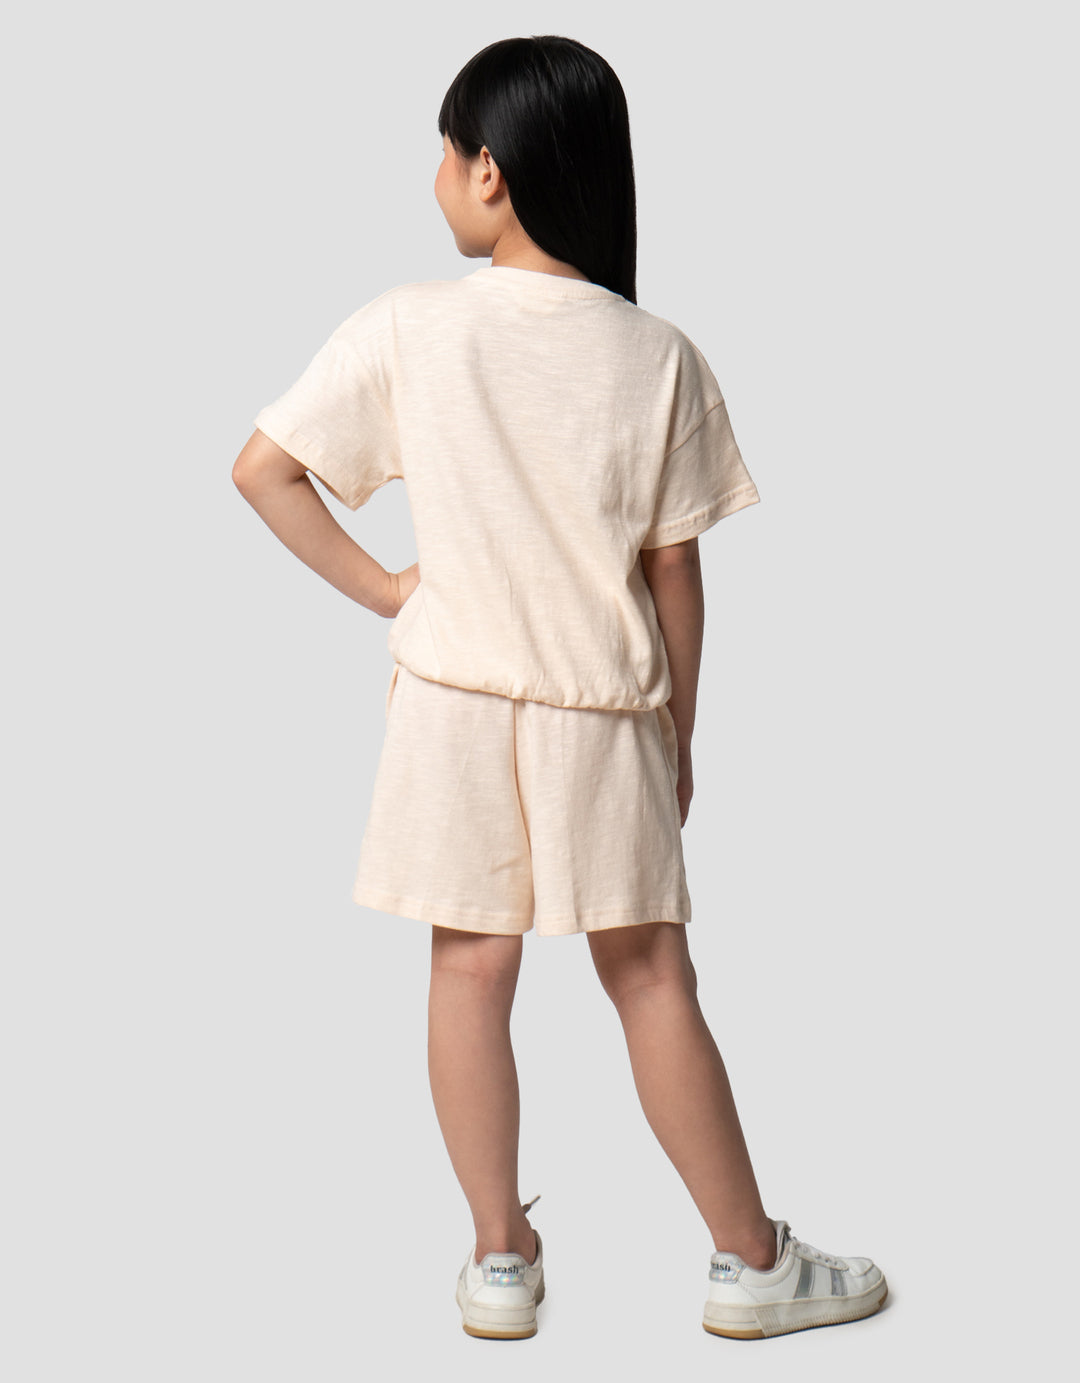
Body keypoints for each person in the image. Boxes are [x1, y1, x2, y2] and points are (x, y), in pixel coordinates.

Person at [231, 34, 887, 1343]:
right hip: (603, 712)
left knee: (468, 973)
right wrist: (679, 734)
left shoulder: (407, 326)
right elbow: (675, 573)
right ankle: (751, 1261)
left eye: (443, 152)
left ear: (491, 169)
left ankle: (498, 1261)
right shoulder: (659, 355)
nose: (437, 176)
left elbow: (264, 469)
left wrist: (394, 591)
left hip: (452, 705)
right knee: (650, 981)